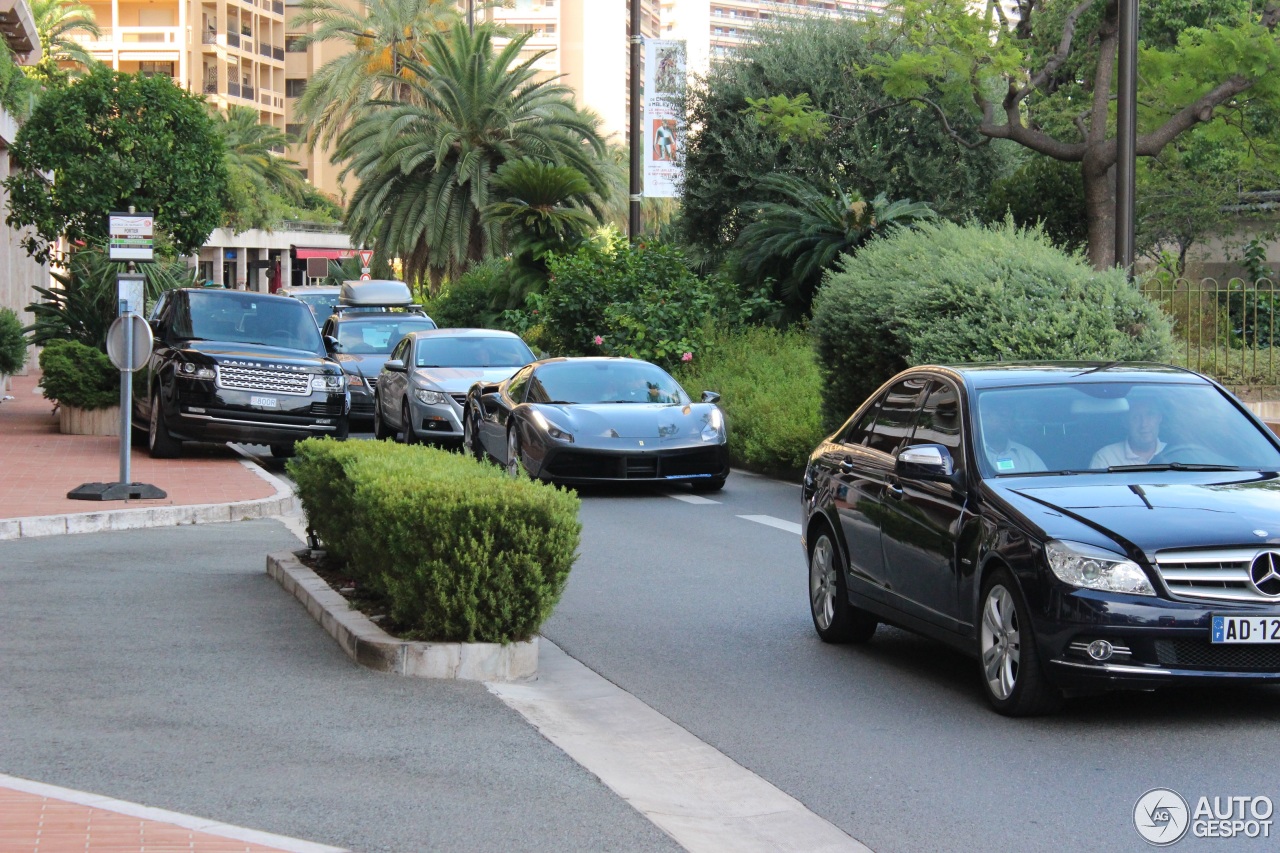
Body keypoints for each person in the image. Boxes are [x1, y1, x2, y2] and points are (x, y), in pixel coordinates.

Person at [1090, 396, 1166, 468]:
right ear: (1125, 423)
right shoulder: (1106, 458)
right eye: (1135, 417)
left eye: (1150, 415)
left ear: (1159, 418)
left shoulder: (1174, 453)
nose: (1144, 424)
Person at [979, 395, 1046, 474]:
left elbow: (1047, 483)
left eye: (1008, 417)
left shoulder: (1028, 456)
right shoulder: (972, 453)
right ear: (983, 419)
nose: (1004, 421)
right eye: (1000, 415)